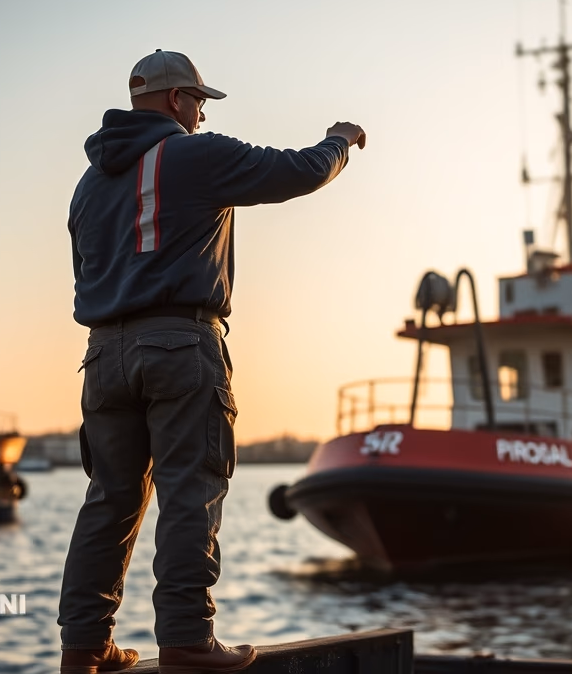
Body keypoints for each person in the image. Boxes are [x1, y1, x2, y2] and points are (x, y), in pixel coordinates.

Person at [59, 49, 365, 674]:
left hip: (102, 354)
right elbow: (299, 171)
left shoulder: (88, 184)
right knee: (190, 491)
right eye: (199, 101)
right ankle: (187, 639)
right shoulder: (194, 155)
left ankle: (85, 647)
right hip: (179, 343)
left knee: (110, 500)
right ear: (176, 99)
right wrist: (339, 141)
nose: (201, 115)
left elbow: (83, 270)